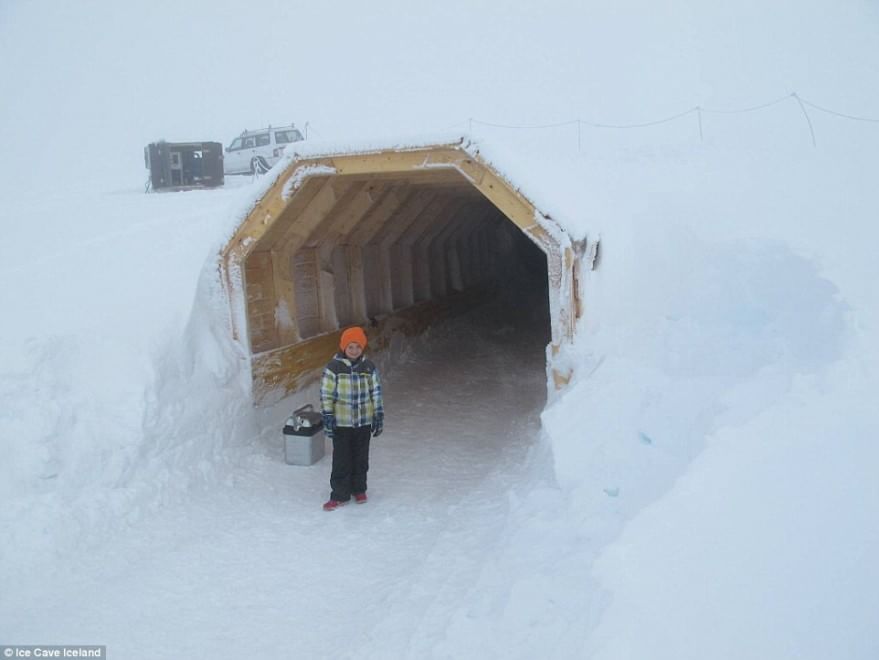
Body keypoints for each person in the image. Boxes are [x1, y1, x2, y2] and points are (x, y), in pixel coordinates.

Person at [320, 326, 384, 511]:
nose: (354, 350)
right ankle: (339, 494)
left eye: (357, 346)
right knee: (341, 459)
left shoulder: (368, 367)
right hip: (342, 422)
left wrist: (378, 414)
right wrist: (328, 415)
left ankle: (359, 488)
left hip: (363, 422)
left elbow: (376, 392)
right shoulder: (334, 368)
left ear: (362, 347)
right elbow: (326, 393)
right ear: (343, 347)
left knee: (361, 458)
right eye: (350, 346)